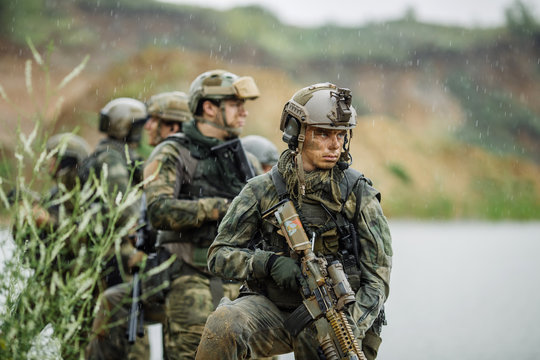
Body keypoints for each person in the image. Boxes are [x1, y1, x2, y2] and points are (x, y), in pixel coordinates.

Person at [195, 83, 392, 360]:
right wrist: (267, 263)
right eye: (323, 133)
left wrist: (350, 328)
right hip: (274, 311)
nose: (334, 145)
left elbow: (377, 282)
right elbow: (218, 256)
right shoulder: (261, 190)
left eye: (340, 135)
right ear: (297, 133)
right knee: (225, 322)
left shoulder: (358, 193)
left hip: (341, 319)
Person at [142, 70, 260, 360]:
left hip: (243, 285)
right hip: (191, 280)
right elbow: (158, 210)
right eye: (235, 104)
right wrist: (218, 207)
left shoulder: (247, 160)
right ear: (208, 107)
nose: (244, 112)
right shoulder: (172, 153)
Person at [85, 92, 191, 359]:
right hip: (118, 253)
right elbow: (123, 205)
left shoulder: (114, 154)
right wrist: (141, 235)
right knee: (128, 323)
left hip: (119, 252)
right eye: (141, 123)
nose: (145, 129)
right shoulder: (113, 157)